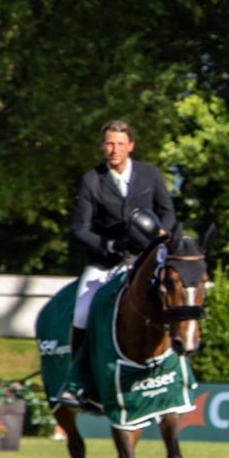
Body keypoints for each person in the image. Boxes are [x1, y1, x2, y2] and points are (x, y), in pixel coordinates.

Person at [66, 120, 176, 389]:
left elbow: (168, 211)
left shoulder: (149, 174)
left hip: (146, 257)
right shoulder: (92, 180)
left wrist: (163, 233)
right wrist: (109, 246)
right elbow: (80, 229)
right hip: (107, 261)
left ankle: (178, 370)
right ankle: (77, 379)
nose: (114, 150)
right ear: (103, 146)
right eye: (109, 144)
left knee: (176, 296)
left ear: (130, 147)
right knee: (81, 312)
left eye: (120, 144)